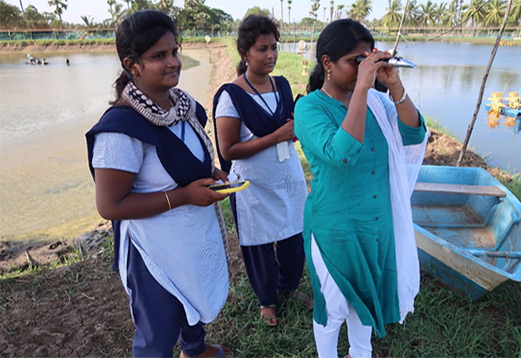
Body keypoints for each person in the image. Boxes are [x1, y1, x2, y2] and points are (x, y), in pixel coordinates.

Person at [85, 10, 232, 358]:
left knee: (192, 294)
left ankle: (194, 349)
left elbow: (185, 157)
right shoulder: (120, 129)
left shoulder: (186, 109)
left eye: (175, 52)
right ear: (132, 64)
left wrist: (210, 173)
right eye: (159, 56)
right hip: (153, 248)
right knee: (158, 331)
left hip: (191, 233)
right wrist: (182, 196)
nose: (174, 62)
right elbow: (110, 206)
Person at [294, 19, 428, 358]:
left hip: (376, 223)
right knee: (334, 305)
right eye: (356, 61)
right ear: (327, 63)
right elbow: (340, 154)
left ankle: (360, 352)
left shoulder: (379, 104)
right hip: (336, 227)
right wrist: (364, 89)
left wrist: (394, 86)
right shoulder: (309, 108)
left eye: (367, 58)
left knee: (367, 296)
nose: (364, 67)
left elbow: (414, 135)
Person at [212, 15, 309, 327]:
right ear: (244, 52)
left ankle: (289, 288)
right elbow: (227, 150)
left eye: (274, 48)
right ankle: (267, 300)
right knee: (259, 244)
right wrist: (276, 137)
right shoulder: (231, 95)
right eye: (262, 49)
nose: (271, 55)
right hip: (252, 182)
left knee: (295, 234)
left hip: (287, 175)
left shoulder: (280, 85)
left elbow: (286, 124)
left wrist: (294, 130)